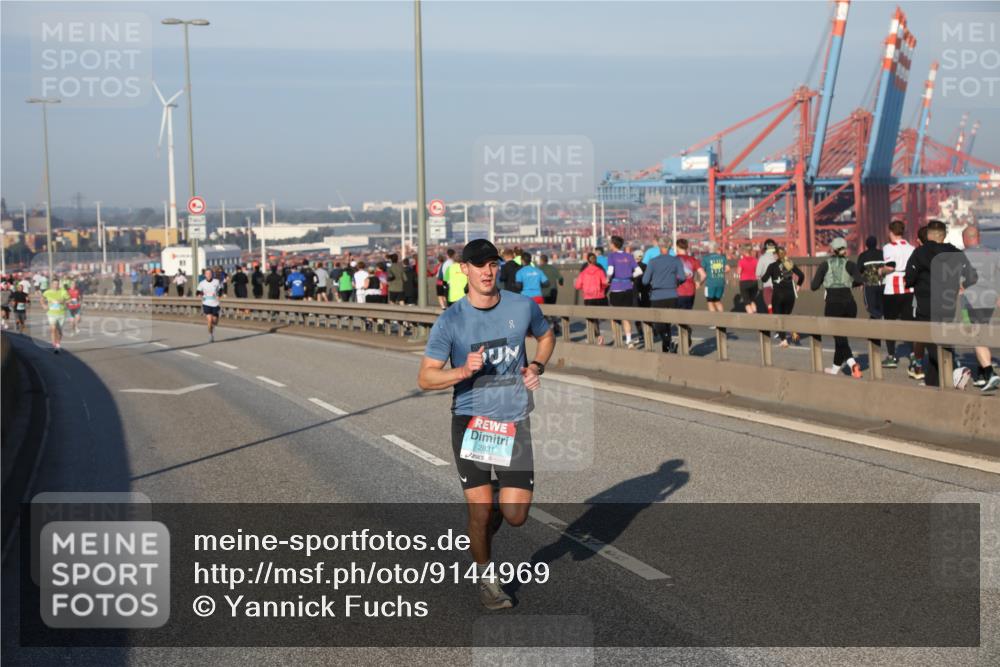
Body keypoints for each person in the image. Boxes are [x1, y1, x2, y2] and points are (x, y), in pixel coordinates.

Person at [417, 239, 555, 611]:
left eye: (492, 264)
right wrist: (462, 371)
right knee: (479, 512)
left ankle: (493, 503)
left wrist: (536, 366)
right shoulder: (451, 320)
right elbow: (426, 378)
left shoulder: (521, 306)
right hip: (471, 422)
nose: (487, 271)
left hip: (513, 422)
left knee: (515, 515)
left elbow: (545, 335)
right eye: (479, 265)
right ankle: (488, 580)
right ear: (465, 270)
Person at [904, 219, 977, 389]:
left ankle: (954, 373)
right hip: (948, 305)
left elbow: (909, 278)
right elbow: (973, 276)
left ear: (928, 234)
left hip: (926, 305)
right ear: (944, 235)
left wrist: (914, 282)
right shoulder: (956, 252)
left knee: (932, 344)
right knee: (944, 342)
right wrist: (962, 286)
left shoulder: (919, 253)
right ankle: (934, 383)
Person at [811, 237, 864, 378]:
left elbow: (813, 286)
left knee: (839, 337)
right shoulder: (850, 264)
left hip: (833, 305)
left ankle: (852, 364)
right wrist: (847, 285)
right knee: (840, 338)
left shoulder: (824, 265)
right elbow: (859, 280)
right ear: (845, 249)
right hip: (850, 304)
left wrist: (828, 283)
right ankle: (835, 368)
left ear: (832, 250)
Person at [961, 225, 1000, 392]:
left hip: (970, 301)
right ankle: (982, 373)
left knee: (975, 336)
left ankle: (990, 373)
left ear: (965, 239)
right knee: (981, 334)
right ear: (979, 237)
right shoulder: (994, 253)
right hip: (991, 300)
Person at [879, 220, 916, 369]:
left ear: (891, 232)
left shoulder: (888, 247)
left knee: (890, 323)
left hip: (892, 289)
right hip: (908, 288)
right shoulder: (911, 248)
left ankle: (891, 356)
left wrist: (880, 271)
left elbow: (890, 266)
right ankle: (914, 355)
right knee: (910, 323)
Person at [642, 237, 686, 353]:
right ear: (670, 247)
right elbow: (682, 277)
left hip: (657, 295)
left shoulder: (653, 261)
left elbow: (645, 281)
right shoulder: (676, 260)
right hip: (672, 294)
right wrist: (675, 283)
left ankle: (666, 341)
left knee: (659, 324)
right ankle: (667, 347)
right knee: (668, 321)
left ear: (659, 247)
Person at [763, 246, 804, 347]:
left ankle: (784, 340)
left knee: (779, 318)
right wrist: (798, 285)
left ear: (776, 255)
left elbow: (764, 279)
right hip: (790, 296)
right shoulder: (788, 263)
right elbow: (801, 275)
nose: (773, 255)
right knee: (786, 316)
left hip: (778, 296)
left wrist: (762, 276)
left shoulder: (772, 266)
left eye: (774, 254)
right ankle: (792, 331)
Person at [606, 235, 641, 347]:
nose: (609, 245)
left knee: (614, 315)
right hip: (628, 289)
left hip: (616, 288)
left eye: (610, 243)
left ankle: (617, 339)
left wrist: (607, 279)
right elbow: (639, 271)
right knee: (626, 316)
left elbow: (610, 271)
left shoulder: (612, 256)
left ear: (613, 244)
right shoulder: (629, 256)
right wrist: (630, 277)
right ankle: (629, 340)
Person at [674, 239, 705, 310]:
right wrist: (699, 283)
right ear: (687, 247)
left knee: (678, 316)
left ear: (677, 247)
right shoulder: (693, 260)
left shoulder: (673, 259)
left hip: (677, 291)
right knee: (687, 314)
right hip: (690, 291)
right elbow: (703, 275)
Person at [41, 280, 70, 353]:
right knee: (53, 329)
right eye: (54, 284)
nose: (56, 285)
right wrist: (44, 305)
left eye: (57, 284)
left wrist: (62, 301)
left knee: (59, 331)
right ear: (51, 284)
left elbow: (69, 300)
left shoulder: (63, 291)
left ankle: (58, 344)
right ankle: (54, 345)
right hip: (51, 313)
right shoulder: (47, 292)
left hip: (61, 313)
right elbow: (42, 299)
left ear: (59, 284)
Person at [701, 242, 728, 315]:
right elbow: (728, 269)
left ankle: (714, 322)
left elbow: (702, 273)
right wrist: (719, 271)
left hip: (710, 283)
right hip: (721, 282)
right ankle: (722, 321)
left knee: (710, 302)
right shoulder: (722, 257)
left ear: (709, 248)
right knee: (717, 301)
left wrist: (700, 283)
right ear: (716, 248)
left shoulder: (705, 258)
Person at [196, 268, 223, 342]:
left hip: (215, 303)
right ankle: (210, 335)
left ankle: (212, 327)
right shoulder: (202, 283)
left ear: (212, 274)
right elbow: (198, 292)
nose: (209, 275)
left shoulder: (216, 282)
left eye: (210, 274)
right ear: (205, 275)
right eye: (207, 274)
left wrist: (219, 295)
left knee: (215, 321)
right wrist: (200, 295)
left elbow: (220, 290)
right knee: (209, 320)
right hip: (206, 303)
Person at [755, 239, 778, 314]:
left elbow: (758, 274)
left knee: (769, 305)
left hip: (767, 285)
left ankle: (772, 321)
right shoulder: (778, 258)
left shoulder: (762, 258)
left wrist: (759, 286)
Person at [736, 244, 759, 313]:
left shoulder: (741, 261)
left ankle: (751, 318)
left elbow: (738, 272)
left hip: (744, 282)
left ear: (744, 251)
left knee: (746, 302)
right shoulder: (755, 260)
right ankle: (755, 314)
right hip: (754, 282)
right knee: (752, 300)